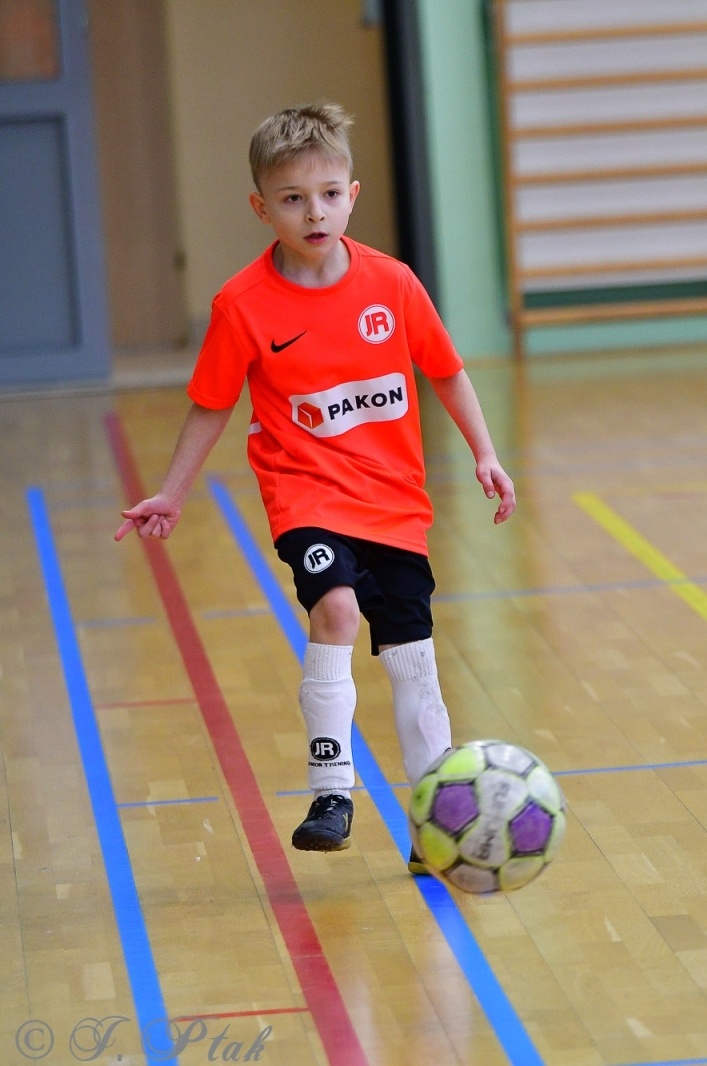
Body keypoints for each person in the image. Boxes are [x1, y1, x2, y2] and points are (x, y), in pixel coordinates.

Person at [115, 104, 515, 873]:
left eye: (329, 194)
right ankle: (332, 793)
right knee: (334, 608)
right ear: (261, 207)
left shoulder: (392, 284)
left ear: (352, 195)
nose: (315, 212)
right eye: (293, 199)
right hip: (306, 495)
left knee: (411, 655)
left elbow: (446, 371)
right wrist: (172, 491)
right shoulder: (243, 305)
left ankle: (432, 822)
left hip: (392, 502)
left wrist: (485, 453)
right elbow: (212, 404)